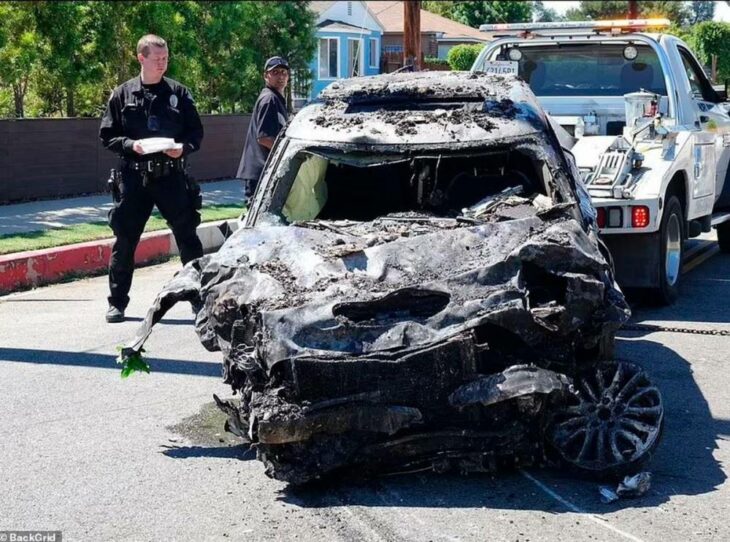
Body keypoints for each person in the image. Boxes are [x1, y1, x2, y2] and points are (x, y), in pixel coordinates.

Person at [99, 34, 204, 323]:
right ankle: (117, 302)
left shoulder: (179, 94)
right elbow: (107, 135)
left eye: (165, 58)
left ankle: (200, 301)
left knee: (187, 238)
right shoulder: (122, 94)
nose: (163, 63)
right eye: (157, 58)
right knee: (125, 240)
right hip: (133, 179)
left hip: (170, 176)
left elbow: (196, 133)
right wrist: (131, 145)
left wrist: (183, 148)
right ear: (141, 58)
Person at [238, 56, 290, 201]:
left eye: (284, 72)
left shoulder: (276, 99)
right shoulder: (269, 99)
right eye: (275, 72)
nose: (280, 76)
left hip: (264, 172)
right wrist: (287, 153)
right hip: (260, 173)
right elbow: (264, 138)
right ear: (266, 76)